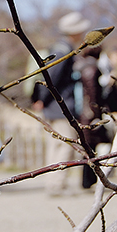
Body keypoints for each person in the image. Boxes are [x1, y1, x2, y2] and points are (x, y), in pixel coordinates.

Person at [32, 11, 91, 195]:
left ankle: (55, 183)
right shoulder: (62, 51)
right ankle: (57, 184)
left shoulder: (63, 48)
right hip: (59, 106)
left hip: (58, 105)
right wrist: (42, 98)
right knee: (63, 145)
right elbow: (51, 78)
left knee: (57, 145)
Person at [74, 46, 110, 189]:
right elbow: (93, 93)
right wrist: (96, 115)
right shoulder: (91, 69)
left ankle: (88, 180)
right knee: (90, 146)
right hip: (88, 115)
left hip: (84, 113)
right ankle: (88, 180)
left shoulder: (81, 66)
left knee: (88, 146)